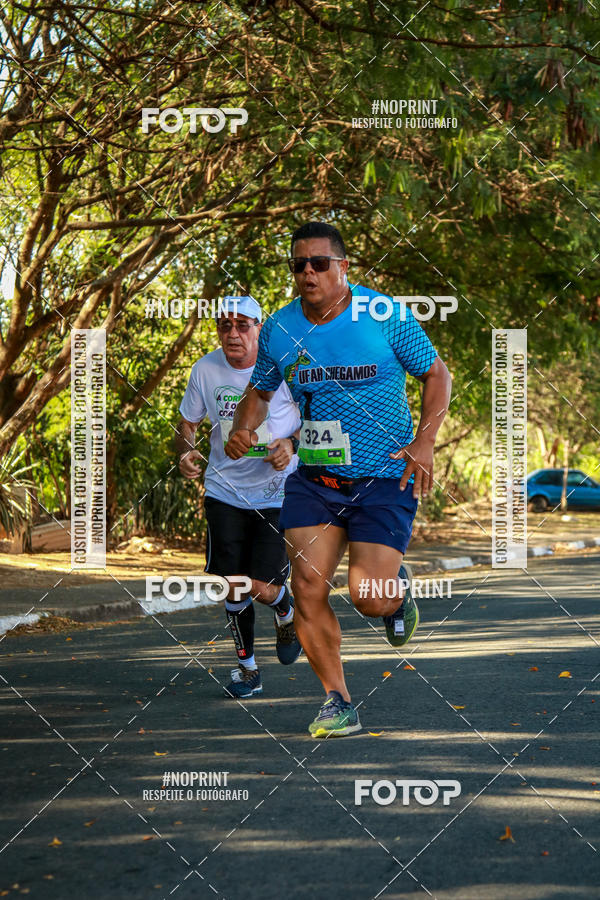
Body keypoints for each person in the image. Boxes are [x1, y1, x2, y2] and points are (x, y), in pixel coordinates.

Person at [224, 223, 452, 736]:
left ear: (344, 268)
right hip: (316, 480)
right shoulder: (280, 329)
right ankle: (337, 701)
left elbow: (438, 375)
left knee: (369, 596)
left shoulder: (385, 314)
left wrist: (426, 440)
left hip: (383, 477)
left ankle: (397, 594)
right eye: (298, 265)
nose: (308, 272)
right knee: (306, 585)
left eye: (319, 263)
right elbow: (260, 392)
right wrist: (242, 428)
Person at [175, 295, 302, 699]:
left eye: (242, 325)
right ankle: (247, 670)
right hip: (224, 492)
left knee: (260, 586)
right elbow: (188, 424)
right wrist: (185, 451)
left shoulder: (285, 367)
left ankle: (283, 606)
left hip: (276, 494)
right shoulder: (205, 369)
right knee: (233, 584)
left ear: (259, 328)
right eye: (224, 325)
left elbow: (316, 419)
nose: (232, 333)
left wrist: (291, 445)